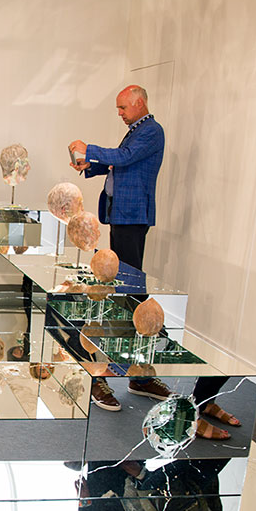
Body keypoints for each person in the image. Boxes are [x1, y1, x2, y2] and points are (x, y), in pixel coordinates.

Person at [68, 85, 169, 410]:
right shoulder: (137, 131)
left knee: (129, 292)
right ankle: (131, 371)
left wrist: (90, 149)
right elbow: (120, 164)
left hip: (132, 215)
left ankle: (128, 369)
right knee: (123, 290)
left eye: (123, 107)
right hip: (122, 215)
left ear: (139, 103)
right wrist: (91, 165)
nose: (120, 113)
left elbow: (124, 158)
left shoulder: (151, 131)